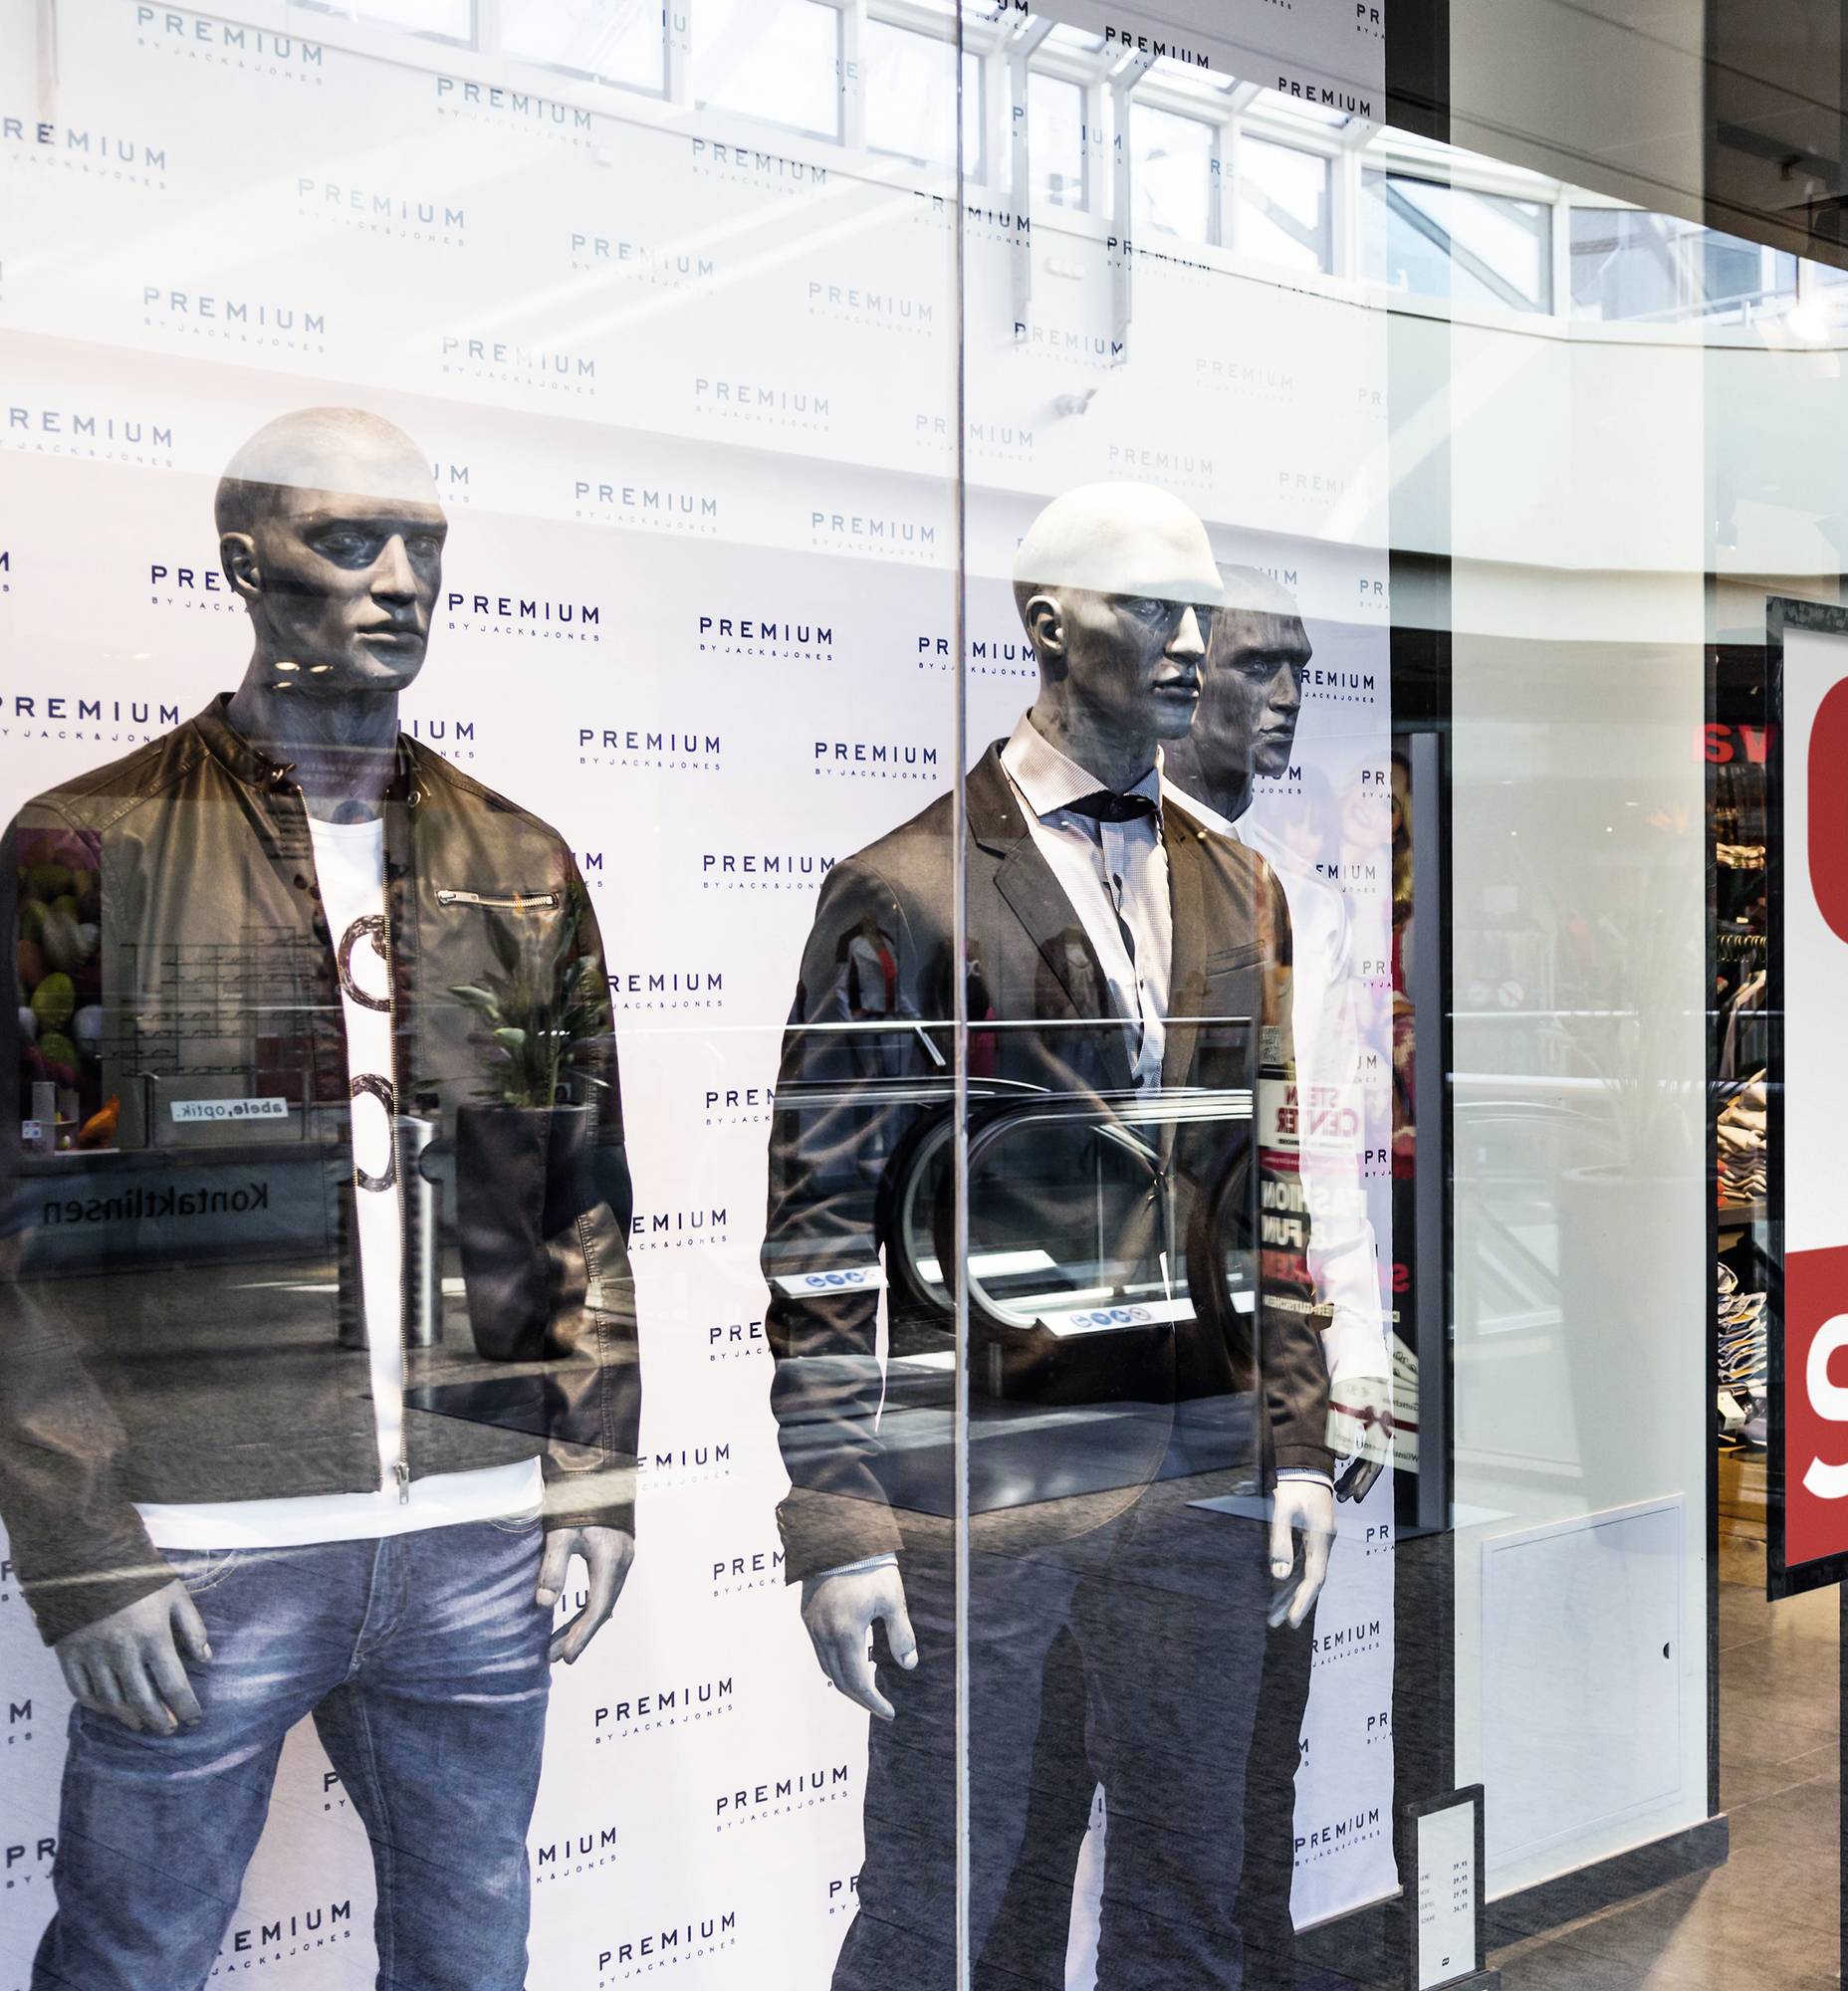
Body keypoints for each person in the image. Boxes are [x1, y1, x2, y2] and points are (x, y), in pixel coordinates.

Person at [0, 406, 639, 1991]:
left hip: (478, 1535)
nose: (399, 581)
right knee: (133, 1960)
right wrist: (83, 1548)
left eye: (424, 546)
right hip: (202, 1547)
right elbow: (22, 1226)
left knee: (472, 1959)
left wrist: (594, 1466)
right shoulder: (89, 848)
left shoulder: (522, 863)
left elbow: (580, 1198)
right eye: (349, 543)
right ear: (245, 561)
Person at [762, 482, 1368, 1989]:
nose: (1190, 644)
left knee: (1192, 1888)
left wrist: (1296, 1443)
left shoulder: (1239, 884)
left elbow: (1264, 1191)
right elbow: (824, 1224)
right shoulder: (905, 889)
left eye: (1198, 612)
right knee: (941, 1898)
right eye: (1150, 609)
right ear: (1048, 625)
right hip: (990, 1474)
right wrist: (837, 1515)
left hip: (1203, 1466)